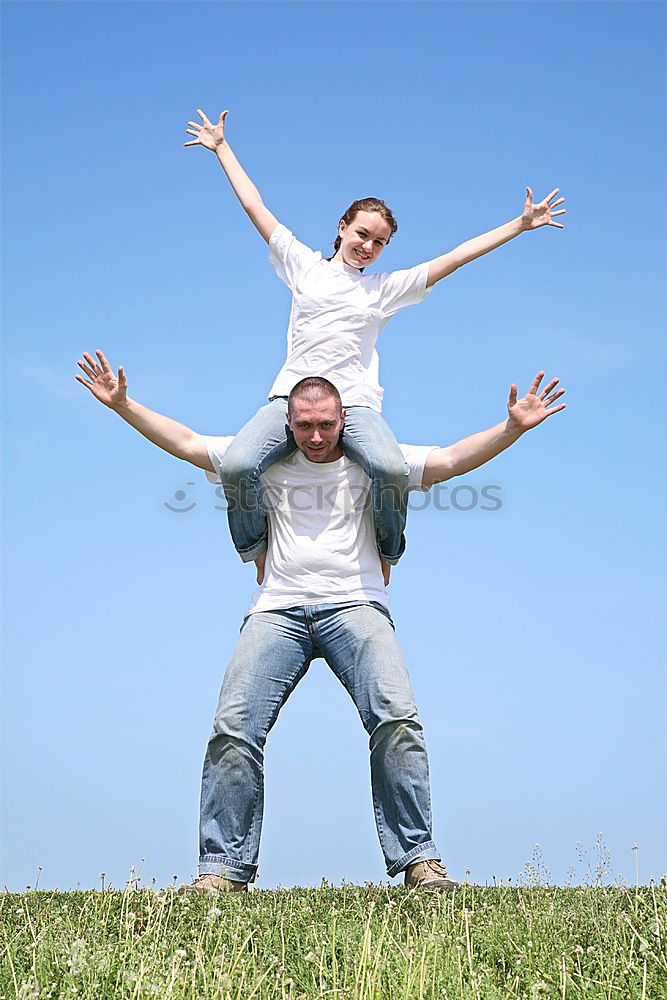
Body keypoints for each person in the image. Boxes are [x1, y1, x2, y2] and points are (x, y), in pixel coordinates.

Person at [75, 350, 566, 893]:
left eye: (325, 425)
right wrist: (123, 405)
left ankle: (420, 863)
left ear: (344, 420)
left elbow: (449, 460)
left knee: (397, 719)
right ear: (286, 421)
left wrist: (512, 428)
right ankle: (221, 872)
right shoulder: (261, 463)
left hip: (356, 604)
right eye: (304, 425)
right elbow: (189, 444)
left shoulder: (373, 461)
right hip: (277, 608)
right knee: (233, 729)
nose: (314, 437)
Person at [184, 108, 566, 584]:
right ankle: (255, 548)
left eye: (379, 242)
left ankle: (388, 551)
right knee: (239, 464)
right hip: (292, 399)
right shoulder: (305, 267)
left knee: (387, 466)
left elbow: (454, 258)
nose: (368, 246)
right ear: (342, 226)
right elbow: (255, 208)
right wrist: (222, 148)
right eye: (362, 234)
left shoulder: (384, 289)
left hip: (356, 405)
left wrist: (518, 225)